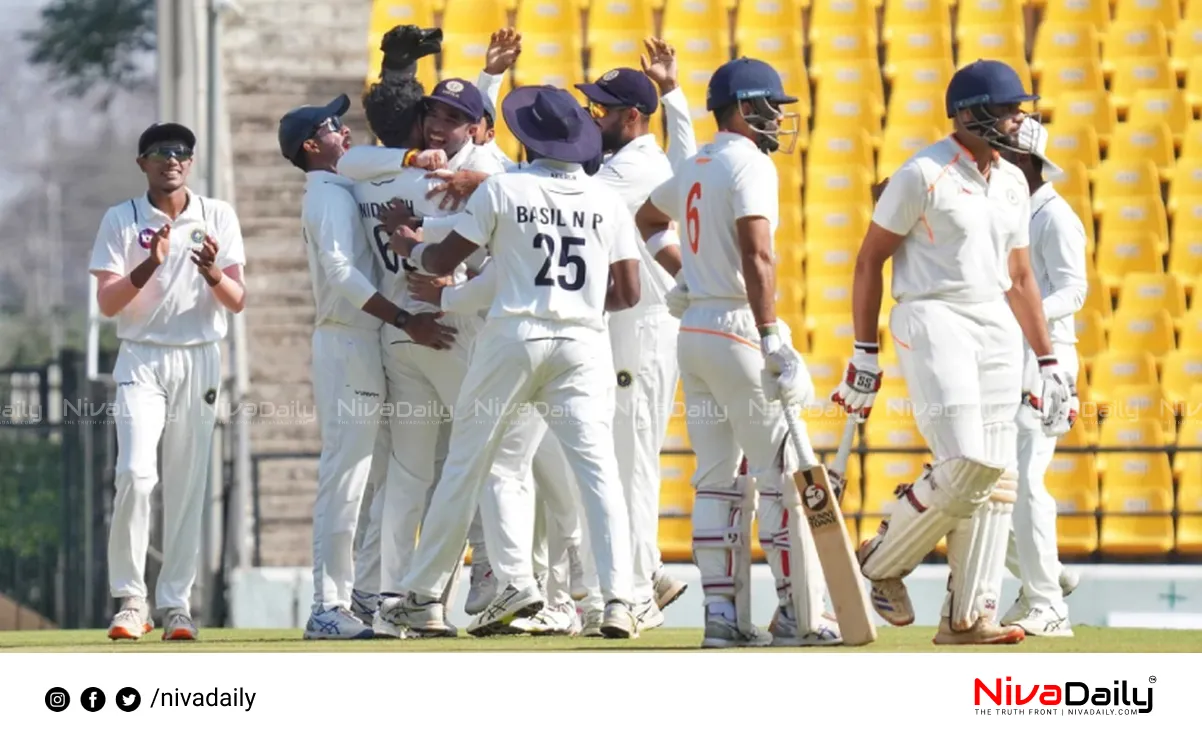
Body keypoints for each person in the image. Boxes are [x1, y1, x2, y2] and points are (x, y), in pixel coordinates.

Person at [383, 85, 643, 639]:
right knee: (598, 476)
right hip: (584, 344)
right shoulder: (605, 198)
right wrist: (573, 307)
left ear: (527, 137)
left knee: (467, 464)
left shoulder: (504, 188)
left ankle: (425, 597)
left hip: (515, 336)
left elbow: (444, 258)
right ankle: (619, 600)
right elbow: (627, 292)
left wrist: (409, 246)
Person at [835, 59, 1076, 645]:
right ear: (969, 114)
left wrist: (1048, 362)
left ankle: (969, 619)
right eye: (1008, 109)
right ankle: (883, 557)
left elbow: (1020, 276)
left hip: (995, 322)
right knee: (967, 462)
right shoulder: (921, 173)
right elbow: (869, 261)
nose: (1020, 119)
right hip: (932, 313)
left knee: (998, 481)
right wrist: (865, 351)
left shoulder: (1016, 181)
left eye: (1021, 108)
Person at [635, 57, 839, 648]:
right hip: (737, 328)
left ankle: (721, 618)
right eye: (772, 107)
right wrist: (771, 331)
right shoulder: (750, 163)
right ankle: (797, 614)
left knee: (717, 480)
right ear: (746, 108)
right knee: (779, 479)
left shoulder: (697, 161)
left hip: (694, 334)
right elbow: (758, 256)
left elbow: (649, 219)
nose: (778, 118)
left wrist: (685, 279)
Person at [280, 94, 453, 639]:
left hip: (366, 339)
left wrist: (410, 160)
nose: (346, 131)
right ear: (312, 145)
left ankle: (360, 593)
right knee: (346, 476)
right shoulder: (327, 194)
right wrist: (405, 318)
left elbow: (370, 160)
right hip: (347, 340)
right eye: (334, 126)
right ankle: (326, 604)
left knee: (376, 477)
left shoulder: (343, 182)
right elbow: (338, 271)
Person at [90, 122, 247, 641]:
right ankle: (132, 600)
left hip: (199, 358)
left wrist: (212, 274)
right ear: (143, 163)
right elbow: (108, 303)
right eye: (160, 153)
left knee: (186, 484)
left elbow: (237, 299)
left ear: (191, 162)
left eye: (180, 152)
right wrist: (146, 269)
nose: (171, 160)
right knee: (136, 475)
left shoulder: (217, 215)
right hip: (141, 358)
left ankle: (177, 604)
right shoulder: (122, 218)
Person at [575, 59, 686, 631]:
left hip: (639, 331)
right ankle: (650, 573)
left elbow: (565, 197)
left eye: (603, 109)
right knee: (621, 459)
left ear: (634, 117)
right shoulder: (629, 161)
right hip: (626, 329)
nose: (595, 118)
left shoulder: (634, 170)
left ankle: (639, 588)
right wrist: (677, 93)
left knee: (632, 459)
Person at [997, 118, 1086, 637]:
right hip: (1020, 355)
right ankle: (1043, 579)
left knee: (1027, 482)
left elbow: (1075, 291)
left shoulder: (1056, 217)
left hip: (1050, 359)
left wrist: (1024, 313)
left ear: (1026, 161)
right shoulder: (1016, 210)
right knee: (995, 482)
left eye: (1005, 153)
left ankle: (1048, 601)